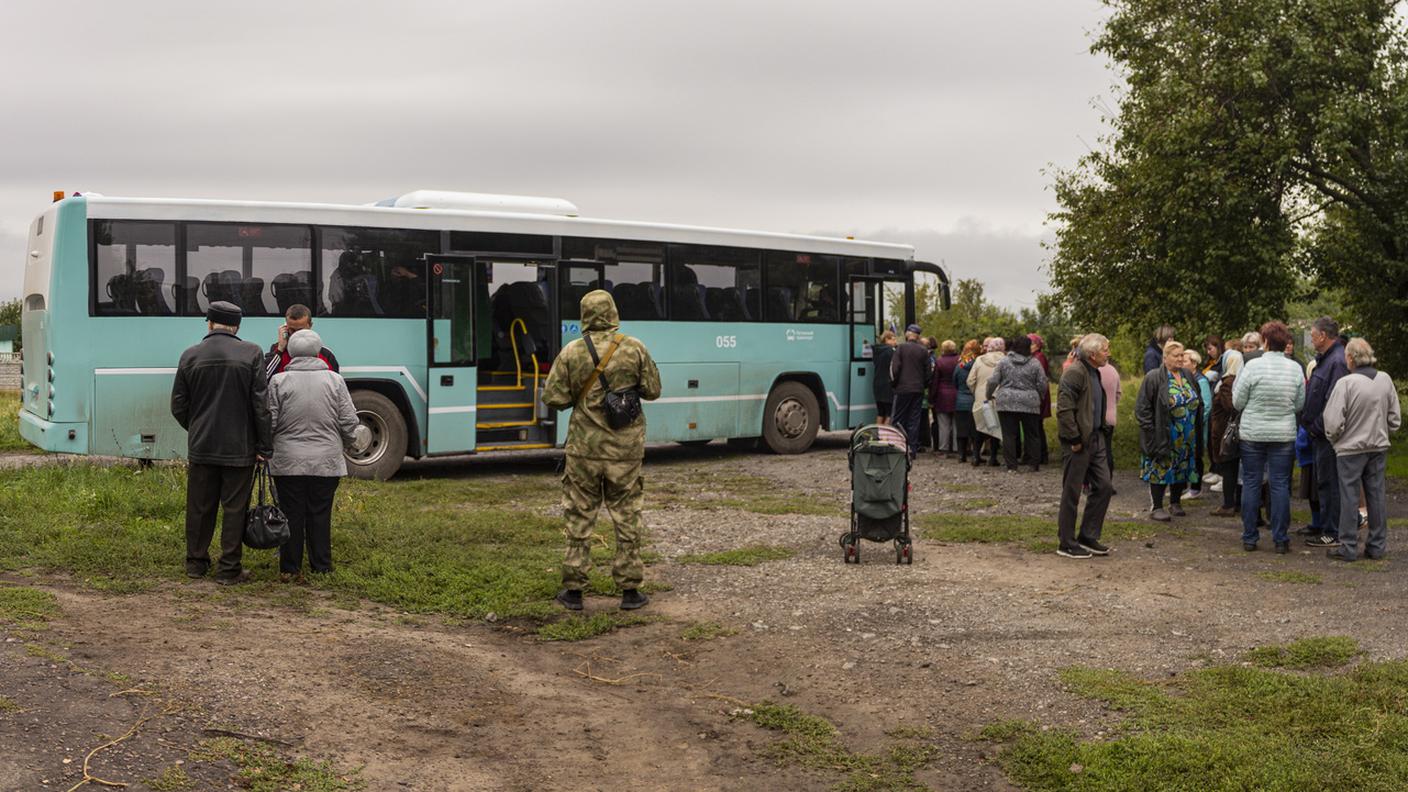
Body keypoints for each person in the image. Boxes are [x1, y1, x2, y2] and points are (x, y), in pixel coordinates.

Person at [543, 290, 662, 611]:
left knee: (579, 515)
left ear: (584, 316)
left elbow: (552, 397)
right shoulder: (634, 348)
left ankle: (574, 591)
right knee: (626, 515)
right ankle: (629, 591)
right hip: (625, 451)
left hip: (584, 450)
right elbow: (653, 390)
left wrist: (582, 398)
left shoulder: (572, 352)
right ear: (612, 312)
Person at [170, 301, 273, 585]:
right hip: (240, 447)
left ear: (209, 323)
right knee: (234, 508)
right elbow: (260, 405)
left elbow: (178, 405)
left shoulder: (190, 355)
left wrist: (197, 428)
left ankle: (196, 563)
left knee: (199, 507)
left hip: (202, 446)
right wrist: (264, 446)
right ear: (237, 326)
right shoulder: (252, 352)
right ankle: (229, 568)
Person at [266, 329, 359, 579]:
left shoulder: (278, 382)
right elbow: (349, 421)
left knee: (291, 512)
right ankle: (321, 565)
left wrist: (266, 448)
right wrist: (347, 444)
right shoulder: (335, 381)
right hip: (326, 461)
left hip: (287, 462)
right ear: (319, 352)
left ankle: (289, 567)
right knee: (320, 512)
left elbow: (269, 422)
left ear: (292, 352)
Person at [1324, 338, 1402, 561]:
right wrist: (1382, 430)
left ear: (1350, 358)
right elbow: (1395, 419)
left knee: (1349, 496)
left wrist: (1335, 440)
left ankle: (1347, 546)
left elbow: (1332, 422)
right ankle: (1377, 545)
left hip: (1350, 449)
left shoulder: (1346, 384)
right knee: (1376, 495)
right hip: (1377, 446)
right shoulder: (1385, 380)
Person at [1232, 321, 1306, 553]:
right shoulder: (1295, 368)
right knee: (1280, 484)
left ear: (1264, 341)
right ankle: (1281, 538)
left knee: (1252, 483)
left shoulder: (1252, 366)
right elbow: (1299, 404)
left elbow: (1238, 401)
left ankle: (1250, 537)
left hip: (1253, 432)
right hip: (1283, 433)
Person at [1055, 334, 1115, 559]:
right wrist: (1074, 439)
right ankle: (1067, 542)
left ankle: (1088, 536)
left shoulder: (1094, 371)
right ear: (1092, 354)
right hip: (1079, 442)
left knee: (1104, 486)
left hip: (1096, 438)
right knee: (1072, 491)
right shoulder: (1075, 372)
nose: (1108, 353)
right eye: (1105, 350)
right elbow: (1064, 409)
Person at [1135, 340, 1200, 522]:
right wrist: (1150, 432)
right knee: (1160, 467)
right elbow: (1142, 408)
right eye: (1176, 355)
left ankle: (1175, 502)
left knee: (1182, 466)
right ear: (1165, 357)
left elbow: (1197, 399)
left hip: (1186, 434)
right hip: (1163, 432)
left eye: (1182, 355)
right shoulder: (1154, 377)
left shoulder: (1187, 374)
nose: (1180, 359)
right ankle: (1157, 506)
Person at [1300, 317, 1350, 549]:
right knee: (1325, 483)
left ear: (1323, 336)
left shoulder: (1337, 361)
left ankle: (1333, 532)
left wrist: (1316, 428)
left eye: (1312, 335)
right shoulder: (1328, 359)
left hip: (1327, 435)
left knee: (1330, 484)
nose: (1311, 339)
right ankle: (1329, 527)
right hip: (1320, 433)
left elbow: (1334, 401)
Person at [986, 335, 1046, 472]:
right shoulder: (1035, 363)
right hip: (1029, 401)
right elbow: (1042, 383)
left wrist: (989, 395)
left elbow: (993, 380)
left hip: (1006, 401)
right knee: (1032, 434)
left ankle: (1011, 465)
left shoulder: (1004, 362)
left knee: (1009, 434)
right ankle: (1033, 464)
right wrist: (1039, 396)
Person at [1208, 349, 1244, 517]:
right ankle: (1235, 502)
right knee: (1234, 467)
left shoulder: (1228, 382)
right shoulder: (1240, 380)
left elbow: (1231, 406)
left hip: (1226, 431)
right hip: (1232, 430)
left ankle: (1229, 503)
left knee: (1229, 468)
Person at [265, 303, 340, 380]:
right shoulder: (277, 351)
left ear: (310, 325)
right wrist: (280, 349)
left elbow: (335, 383)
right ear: (285, 327)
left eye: (300, 330)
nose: (296, 334)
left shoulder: (325, 354)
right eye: (292, 330)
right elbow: (263, 378)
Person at [890, 324, 932, 457]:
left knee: (898, 419)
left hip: (902, 389)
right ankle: (912, 449)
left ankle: (897, 447)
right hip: (918, 389)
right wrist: (923, 385)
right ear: (918, 336)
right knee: (914, 420)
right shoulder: (923, 351)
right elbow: (928, 372)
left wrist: (894, 384)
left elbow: (894, 369)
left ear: (908, 334)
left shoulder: (900, 348)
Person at [967, 337, 1006, 467]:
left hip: (981, 399)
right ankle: (993, 458)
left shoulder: (979, 360)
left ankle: (976, 456)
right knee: (995, 427)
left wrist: (976, 392)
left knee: (979, 427)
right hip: (998, 398)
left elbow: (970, 380)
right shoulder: (1005, 361)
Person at [1184, 350, 1213, 499]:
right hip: (1187, 427)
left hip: (1198, 428)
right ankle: (1183, 486)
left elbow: (1207, 406)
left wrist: (1196, 424)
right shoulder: (1184, 378)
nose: (1182, 364)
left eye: (1185, 361)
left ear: (1194, 363)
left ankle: (1195, 488)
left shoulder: (1201, 380)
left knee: (1196, 457)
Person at [953, 340, 981, 463]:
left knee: (961, 429)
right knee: (975, 430)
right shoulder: (979, 364)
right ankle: (975, 455)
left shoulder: (960, 365)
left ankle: (961, 455)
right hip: (975, 400)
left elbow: (954, 381)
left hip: (961, 401)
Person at [931, 340, 960, 457]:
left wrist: (931, 398)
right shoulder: (960, 360)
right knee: (956, 423)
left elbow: (935, 382)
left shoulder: (939, 362)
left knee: (943, 425)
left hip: (942, 395)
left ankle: (944, 448)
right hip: (957, 394)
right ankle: (957, 447)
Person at [1029, 333, 1052, 464]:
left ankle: (1041, 455)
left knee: (1037, 425)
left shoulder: (1039, 357)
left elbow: (1040, 378)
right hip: (1037, 393)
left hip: (1039, 394)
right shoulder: (1034, 357)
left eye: (1031, 344)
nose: (1029, 346)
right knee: (1036, 425)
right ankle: (1039, 454)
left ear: (1037, 345)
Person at [1098, 355, 1122, 475]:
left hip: (1097, 417)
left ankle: (1092, 483)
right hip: (1110, 416)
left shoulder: (1093, 371)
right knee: (1107, 449)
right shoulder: (1113, 370)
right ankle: (1109, 480)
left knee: (1095, 452)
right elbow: (1118, 393)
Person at [872, 331, 897, 425]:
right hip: (888, 385)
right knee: (890, 413)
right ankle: (885, 436)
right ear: (887, 339)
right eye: (893, 339)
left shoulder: (876, 351)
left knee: (880, 413)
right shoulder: (891, 351)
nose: (895, 341)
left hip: (877, 384)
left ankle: (878, 434)